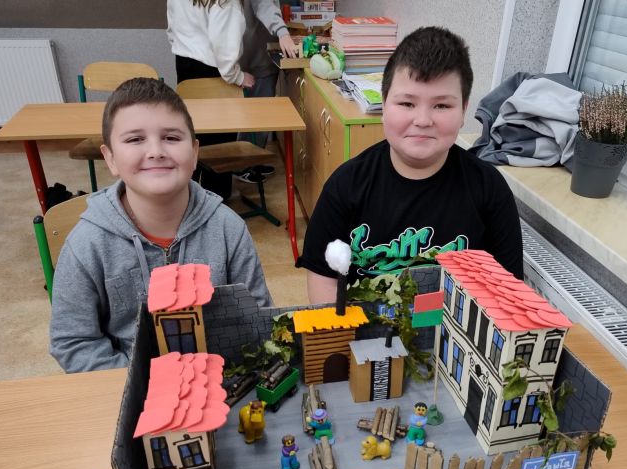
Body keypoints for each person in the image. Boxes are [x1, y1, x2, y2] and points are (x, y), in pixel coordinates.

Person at [50, 78, 272, 373]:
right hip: (129, 385)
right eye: (135, 140)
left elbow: (257, 316)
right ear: (110, 158)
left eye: (171, 137)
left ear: (194, 152)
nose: (156, 151)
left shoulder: (228, 228)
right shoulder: (86, 244)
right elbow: (73, 341)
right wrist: (141, 382)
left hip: (219, 379)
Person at [297, 26, 524, 304]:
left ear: (464, 110)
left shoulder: (489, 190)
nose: (423, 120)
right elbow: (323, 284)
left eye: (442, 106)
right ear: (383, 105)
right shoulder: (345, 186)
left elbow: (508, 295)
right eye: (407, 103)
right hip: (362, 328)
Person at [167, 0, 253, 198]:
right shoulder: (226, 3)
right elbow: (224, 45)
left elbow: (172, 27)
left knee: (193, 134)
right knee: (219, 143)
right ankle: (215, 199)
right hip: (213, 70)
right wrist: (238, 76)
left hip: (184, 63)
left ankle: (188, 197)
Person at [235, 0, 299, 183]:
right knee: (255, 118)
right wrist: (283, 32)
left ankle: (252, 162)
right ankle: (242, 166)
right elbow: (264, 6)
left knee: (257, 118)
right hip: (254, 60)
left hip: (259, 57)